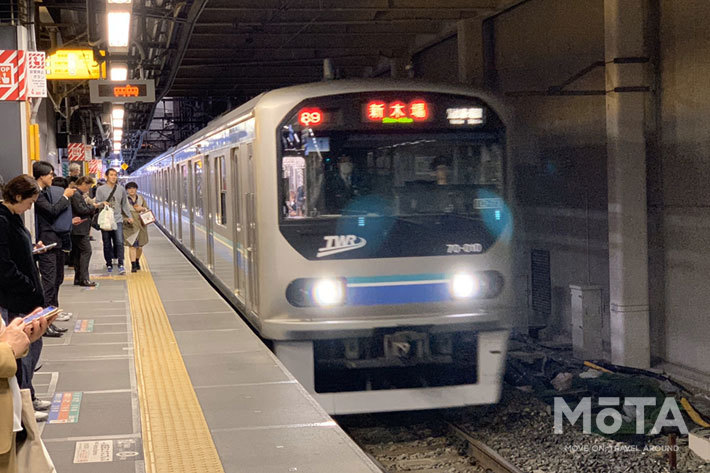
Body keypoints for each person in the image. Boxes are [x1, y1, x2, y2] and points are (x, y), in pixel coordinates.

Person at [0, 174, 56, 423]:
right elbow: (4, 266)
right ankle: (23, 411)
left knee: (32, 350)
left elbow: (15, 253)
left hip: (25, 298)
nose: (30, 207)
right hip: (16, 300)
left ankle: (28, 398)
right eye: (30, 202)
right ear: (18, 196)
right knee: (22, 354)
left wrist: (32, 249)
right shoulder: (2, 220)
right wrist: (28, 288)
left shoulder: (12, 217)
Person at [33, 161, 74, 336]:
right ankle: (45, 324)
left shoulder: (46, 193)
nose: (52, 177)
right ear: (41, 176)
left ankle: (51, 319)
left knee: (57, 280)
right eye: (50, 174)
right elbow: (52, 211)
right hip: (46, 244)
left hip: (56, 242)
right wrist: (65, 197)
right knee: (49, 283)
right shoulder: (38, 195)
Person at [96, 169, 133, 274]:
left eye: (115, 175)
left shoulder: (121, 189)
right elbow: (97, 203)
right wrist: (102, 203)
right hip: (106, 220)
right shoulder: (100, 189)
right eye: (111, 175)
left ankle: (121, 263)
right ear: (106, 176)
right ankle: (108, 263)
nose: (114, 177)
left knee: (119, 242)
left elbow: (124, 204)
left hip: (117, 219)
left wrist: (129, 216)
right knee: (107, 243)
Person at [70, 177, 100, 286]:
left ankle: (78, 278)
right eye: (88, 186)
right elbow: (81, 210)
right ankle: (84, 279)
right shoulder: (76, 194)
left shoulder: (76, 194)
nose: (88, 189)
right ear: (83, 183)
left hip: (78, 229)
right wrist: (93, 207)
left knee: (79, 254)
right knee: (87, 251)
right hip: (79, 229)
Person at [123, 182, 149, 273]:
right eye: (129, 188)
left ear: (136, 189)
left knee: (140, 247)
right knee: (132, 246)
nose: (131, 190)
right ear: (127, 190)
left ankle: (137, 260)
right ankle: (133, 265)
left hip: (141, 225)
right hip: (130, 226)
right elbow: (120, 213)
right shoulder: (124, 200)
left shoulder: (141, 199)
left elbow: (147, 210)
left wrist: (142, 209)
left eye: (133, 188)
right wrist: (126, 219)